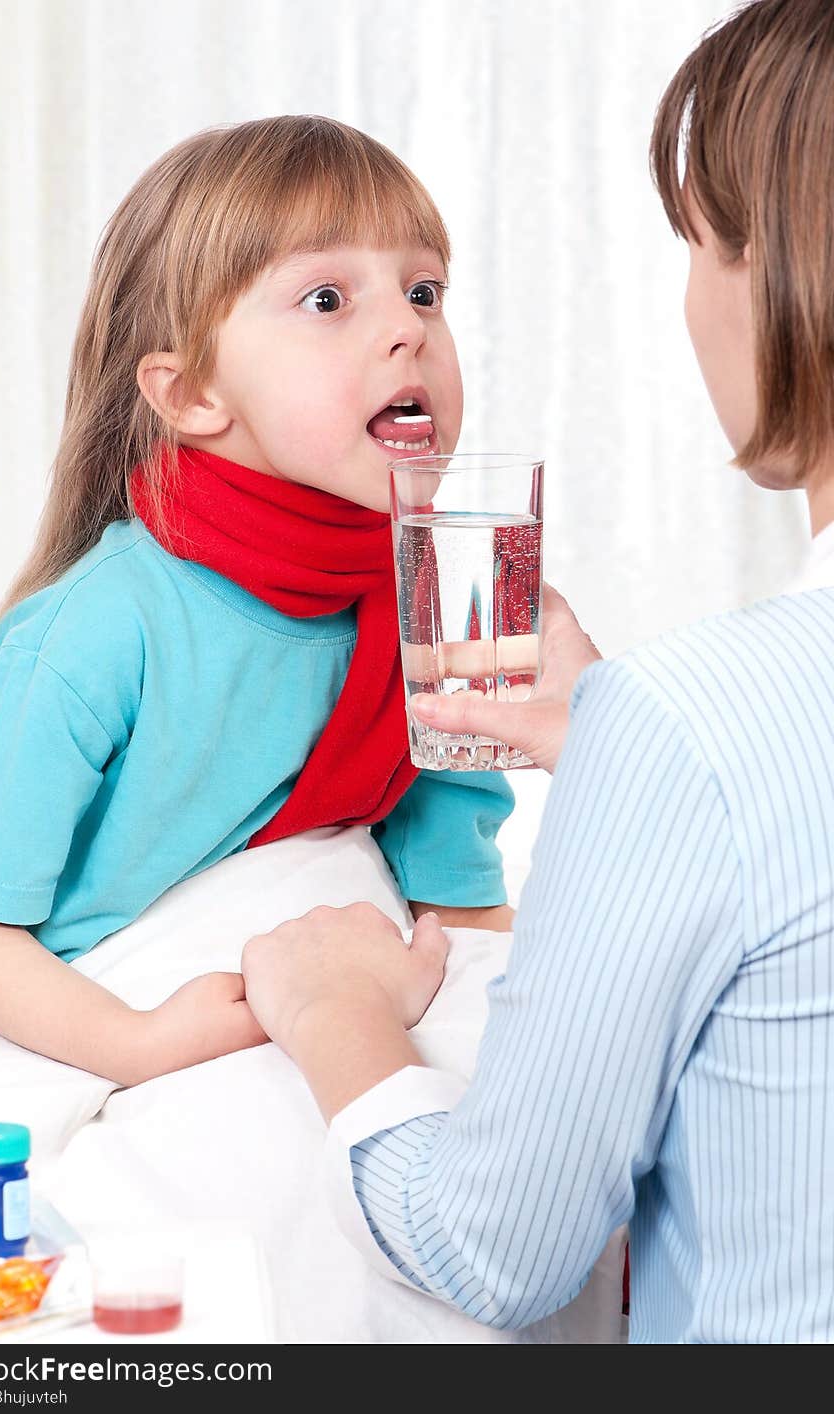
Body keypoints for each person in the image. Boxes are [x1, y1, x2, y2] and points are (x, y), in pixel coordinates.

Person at [239, 0, 834, 1343]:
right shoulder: (682, 730)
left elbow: (496, 1245)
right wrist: (627, 743)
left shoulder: (694, 728)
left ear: (776, 271)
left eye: (701, 242)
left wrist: (337, 1014)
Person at [0, 117, 515, 1082]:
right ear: (191, 395)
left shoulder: (451, 598)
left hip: (309, 1019)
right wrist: (139, 1044)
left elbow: (460, 911)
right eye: (329, 298)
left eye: (424, 290)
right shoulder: (100, 628)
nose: (408, 327)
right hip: (85, 1034)